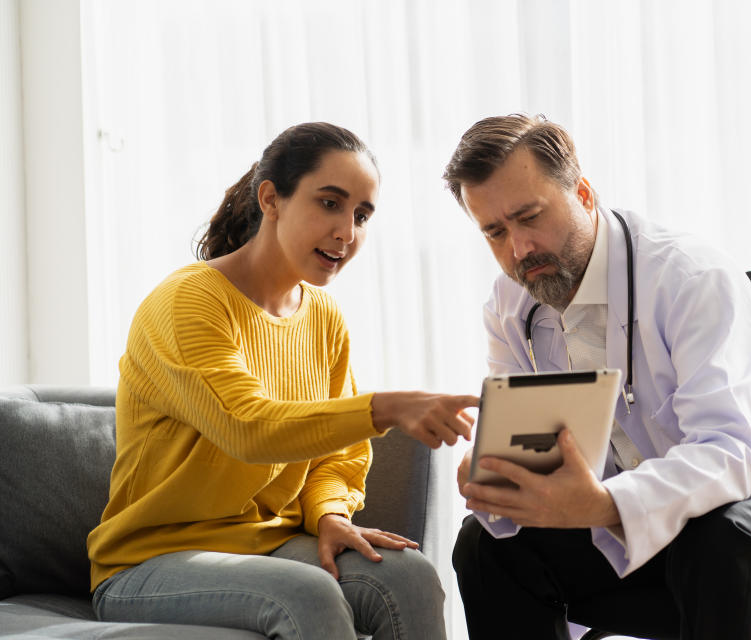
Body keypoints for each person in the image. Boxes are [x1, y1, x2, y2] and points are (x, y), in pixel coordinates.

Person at [443, 114, 751, 640]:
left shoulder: (688, 276)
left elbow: (731, 450)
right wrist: (499, 478)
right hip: (662, 516)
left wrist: (606, 504)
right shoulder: (510, 306)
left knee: (720, 540)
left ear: (584, 194)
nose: (519, 249)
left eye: (529, 216)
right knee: (487, 547)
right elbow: (537, 447)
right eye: (495, 232)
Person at [87, 122, 477, 640]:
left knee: (408, 576)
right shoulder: (188, 302)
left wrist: (329, 514)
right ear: (272, 199)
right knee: (308, 596)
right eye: (330, 203)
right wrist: (384, 407)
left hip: (269, 542)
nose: (347, 231)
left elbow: (335, 456)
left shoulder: (323, 317)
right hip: (148, 561)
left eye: (362, 215)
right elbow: (248, 428)